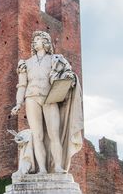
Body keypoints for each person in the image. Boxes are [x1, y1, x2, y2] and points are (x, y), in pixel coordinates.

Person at [11, 31, 83, 174]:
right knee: (37, 136)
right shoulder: (25, 64)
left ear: (45, 42)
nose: (34, 42)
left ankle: (57, 166)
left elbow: (67, 75)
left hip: (50, 98)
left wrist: (71, 79)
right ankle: (42, 169)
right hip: (31, 98)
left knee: (53, 134)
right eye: (34, 40)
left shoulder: (55, 59)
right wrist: (18, 104)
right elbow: (22, 86)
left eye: (37, 39)